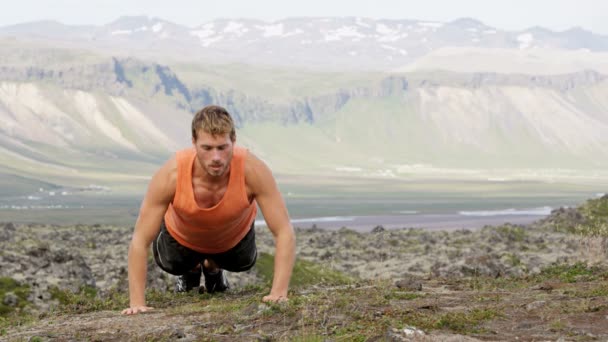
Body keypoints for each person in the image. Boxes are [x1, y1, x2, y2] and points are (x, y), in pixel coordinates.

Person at [121, 105, 296, 315]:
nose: (216, 157)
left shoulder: (253, 170)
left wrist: (279, 292)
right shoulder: (171, 175)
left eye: (222, 147)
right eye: (207, 148)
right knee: (171, 263)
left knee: (245, 262)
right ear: (194, 143)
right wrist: (136, 303)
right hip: (182, 238)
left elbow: (284, 231)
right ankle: (191, 269)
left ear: (234, 141)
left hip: (232, 239)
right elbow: (140, 240)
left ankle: (213, 267)